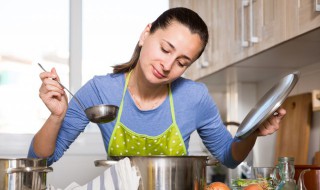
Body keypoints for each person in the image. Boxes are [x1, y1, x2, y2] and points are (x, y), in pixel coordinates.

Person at [28, 7, 286, 167]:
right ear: (146, 34)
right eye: (165, 49)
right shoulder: (99, 91)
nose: (167, 65)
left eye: (181, 62)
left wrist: (252, 131)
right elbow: (42, 159)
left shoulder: (195, 97)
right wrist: (56, 116)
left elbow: (229, 157)